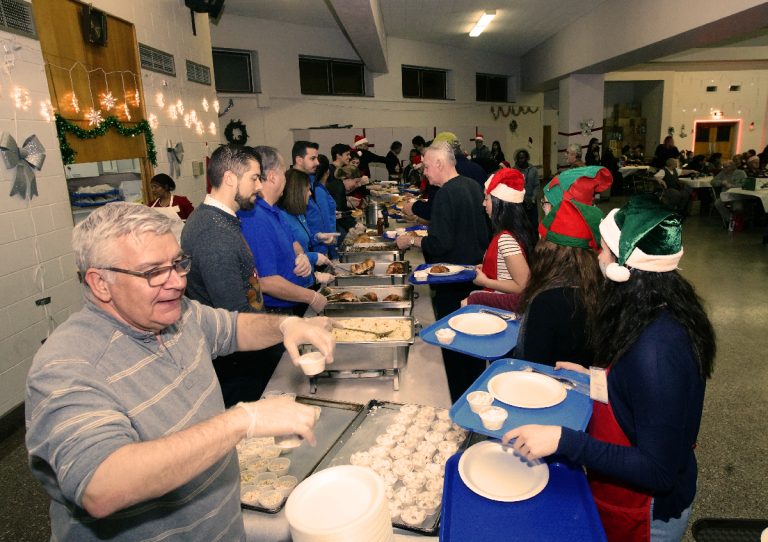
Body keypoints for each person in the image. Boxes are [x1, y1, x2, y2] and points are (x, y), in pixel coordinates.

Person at [26, 202, 335, 541]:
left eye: (177, 263)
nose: (176, 283)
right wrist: (243, 420)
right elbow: (102, 486)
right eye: (153, 272)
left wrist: (286, 326)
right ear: (100, 283)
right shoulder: (66, 365)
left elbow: (231, 327)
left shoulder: (175, 314)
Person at [504, 195, 715, 542]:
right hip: (619, 494)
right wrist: (595, 379)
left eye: (603, 250)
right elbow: (640, 395)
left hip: (646, 513)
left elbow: (658, 470)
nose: (598, 257)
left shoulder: (658, 350)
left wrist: (564, 440)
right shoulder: (648, 305)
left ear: (624, 265)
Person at [396, 140, 490, 401]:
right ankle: (475, 394)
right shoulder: (472, 186)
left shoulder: (447, 193)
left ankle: (459, 400)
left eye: (426, 166)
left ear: (439, 163)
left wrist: (413, 241)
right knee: (472, 342)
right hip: (474, 275)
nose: (424, 172)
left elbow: (441, 242)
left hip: (452, 279)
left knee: (455, 348)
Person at [180, 145, 273, 406]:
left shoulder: (217, 219)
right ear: (231, 178)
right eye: (254, 178)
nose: (259, 187)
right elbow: (234, 315)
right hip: (236, 363)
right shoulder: (214, 233)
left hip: (242, 356)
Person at [513, 168, 612, 367]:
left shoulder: (550, 298)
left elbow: (533, 366)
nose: (544, 211)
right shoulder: (601, 281)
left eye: (547, 204)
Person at [239, 146, 326, 318]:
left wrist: (301, 256)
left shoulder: (274, 210)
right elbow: (265, 281)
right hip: (274, 313)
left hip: (291, 305)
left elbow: (293, 242)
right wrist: (311, 297)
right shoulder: (254, 217)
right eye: (284, 172)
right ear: (273, 176)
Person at [463, 168, 533, 312]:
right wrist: (487, 268)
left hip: (504, 305)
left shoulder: (506, 239)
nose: (483, 204)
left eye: (486, 198)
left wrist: (485, 281)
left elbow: (523, 285)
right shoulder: (510, 233)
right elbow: (506, 270)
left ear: (499, 202)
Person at [279, 168, 334, 285]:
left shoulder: (298, 214)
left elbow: (303, 241)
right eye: (308, 189)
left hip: (308, 278)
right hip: (297, 282)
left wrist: (317, 238)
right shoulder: (282, 217)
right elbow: (288, 256)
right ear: (297, 192)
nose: (310, 193)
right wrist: (314, 257)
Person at [292, 141, 338, 257]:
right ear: (299, 160)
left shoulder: (312, 182)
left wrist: (318, 238)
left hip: (318, 249)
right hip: (305, 255)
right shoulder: (291, 187)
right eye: (312, 158)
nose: (317, 163)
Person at [513, 148, 540, 237]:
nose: (521, 160)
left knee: (533, 225)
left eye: (523, 158)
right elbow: (513, 187)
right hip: (519, 202)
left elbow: (537, 186)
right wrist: (522, 199)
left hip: (532, 202)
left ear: (527, 158)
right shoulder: (514, 171)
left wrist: (532, 199)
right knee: (520, 225)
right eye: (519, 158)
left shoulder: (533, 170)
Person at [712, 159, 748, 225]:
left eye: (726, 167)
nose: (724, 169)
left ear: (732, 167)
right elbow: (713, 182)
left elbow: (745, 184)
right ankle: (730, 220)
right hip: (726, 195)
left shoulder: (741, 173)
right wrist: (721, 182)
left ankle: (739, 221)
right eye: (723, 167)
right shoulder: (722, 173)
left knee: (737, 207)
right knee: (718, 203)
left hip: (738, 195)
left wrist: (732, 186)